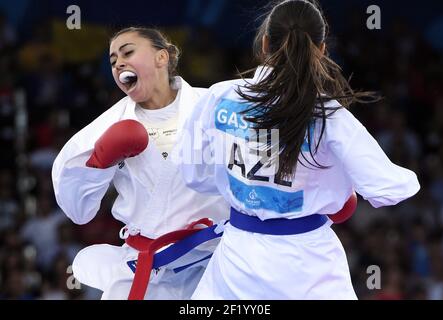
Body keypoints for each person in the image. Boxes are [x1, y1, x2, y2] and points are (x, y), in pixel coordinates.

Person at [177, 0, 420, 299]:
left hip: (236, 263)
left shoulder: (219, 97)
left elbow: (193, 175)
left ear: (265, 43)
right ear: (320, 50)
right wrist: (343, 189)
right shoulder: (329, 115)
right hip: (310, 268)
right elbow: (389, 189)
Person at [51, 27, 230, 300]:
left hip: (216, 261)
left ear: (162, 57)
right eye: (113, 61)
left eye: (128, 52)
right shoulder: (107, 126)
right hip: (148, 270)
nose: (118, 64)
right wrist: (98, 164)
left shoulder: (215, 106)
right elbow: (78, 211)